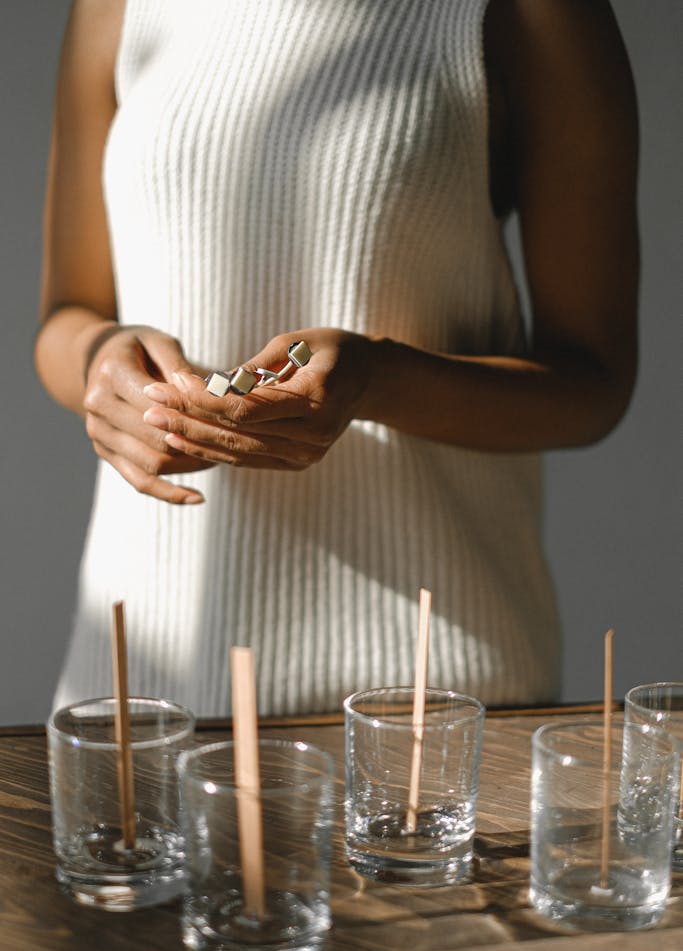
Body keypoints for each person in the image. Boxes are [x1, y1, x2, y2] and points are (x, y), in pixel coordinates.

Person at [36, 0, 639, 718]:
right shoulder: (113, 8)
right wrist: (102, 365)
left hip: (426, 698)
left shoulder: (535, 13)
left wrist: (377, 381)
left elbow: (591, 381)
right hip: (141, 679)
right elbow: (67, 314)